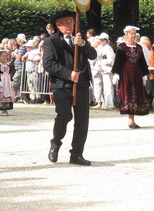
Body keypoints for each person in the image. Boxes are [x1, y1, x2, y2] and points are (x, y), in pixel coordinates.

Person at [43, 9, 96, 166]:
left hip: (81, 83)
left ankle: (77, 153)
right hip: (62, 85)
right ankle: (56, 142)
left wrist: (83, 44)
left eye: (71, 22)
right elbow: (48, 64)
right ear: (58, 26)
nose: (69, 25)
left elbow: (92, 55)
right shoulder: (51, 41)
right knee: (64, 116)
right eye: (65, 23)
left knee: (82, 120)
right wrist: (68, 74)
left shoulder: (79, 39)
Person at [113, 26, 150, 128]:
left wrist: (144, 75)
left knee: (135, 95)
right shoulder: (122, 47)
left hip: (136, 73)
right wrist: (116, 74)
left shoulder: (139, 47)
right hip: (126, 74)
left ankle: (132, 120)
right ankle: (130, 120)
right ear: (126, 35)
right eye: (131, 33)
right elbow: (118, 61)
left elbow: (142, 62)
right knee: (128, 94)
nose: (133, 35)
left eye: (134, 34)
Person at [94, 33, 115, 109]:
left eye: (103, 39)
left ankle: (110, 104)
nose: (102, 41)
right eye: (101, 40)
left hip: (108, 70)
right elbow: (99, 58)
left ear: (106, 40)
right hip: (104, 70)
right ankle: (107, 103)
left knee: (108, 88)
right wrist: (100, 64)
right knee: (105, 88)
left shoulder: (109, 48)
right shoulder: (102, 48)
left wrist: (102, 61)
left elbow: (110, 60)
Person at [0, 49, 15, 116]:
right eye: (3, 56)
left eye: (5, 56)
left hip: (7, 81)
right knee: (2, 93)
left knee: (7, 93)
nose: (4, 57)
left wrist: (11, 80)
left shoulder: (8, 65)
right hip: (2, 80)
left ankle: (7, 108)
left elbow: (10, 73)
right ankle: (2, 109)